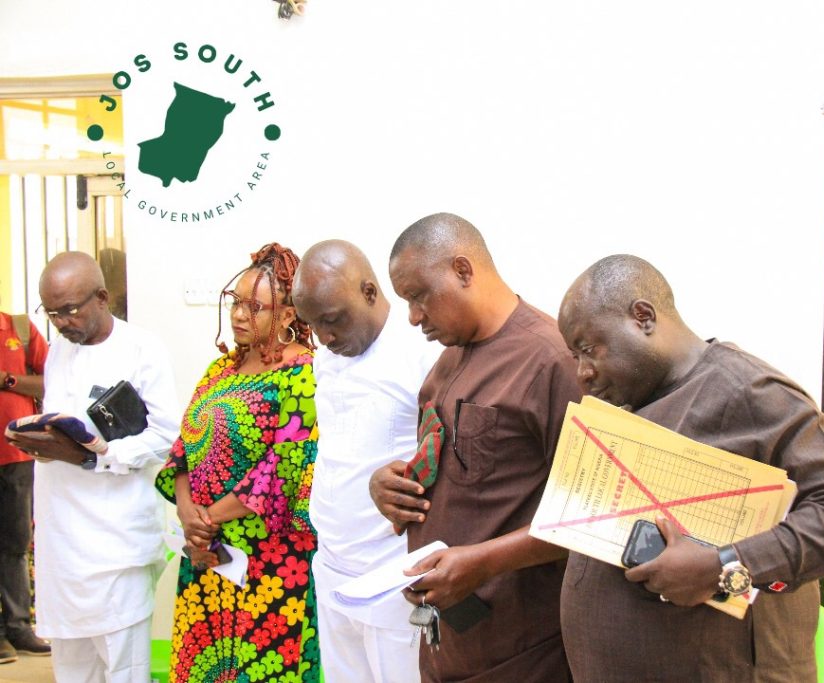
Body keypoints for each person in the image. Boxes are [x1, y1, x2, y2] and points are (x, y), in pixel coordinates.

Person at [556, 254, 824, 682]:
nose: (583, 373)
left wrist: (720, 567)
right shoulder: (642, 397)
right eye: (575, 357)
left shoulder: (749, 391)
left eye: (588, 350)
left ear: (643, 317)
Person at [369, 213, 581, 683]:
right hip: (449, 639)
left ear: (463, 270)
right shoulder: (448, 360)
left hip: (521, 649)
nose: (413, 317)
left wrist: (481, 564)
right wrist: (386, 486)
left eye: (419, 296)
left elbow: (591, 517)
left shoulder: (551, 361)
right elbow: (449, 469)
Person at [5, 252, 179, 683]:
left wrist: (96, 456)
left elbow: (166, 437)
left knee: (124, 671)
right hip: (63, 548)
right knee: (73, 671)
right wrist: (45, 443)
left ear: (102, 297)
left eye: (69, 310)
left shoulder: (142, 349)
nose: (60, 322)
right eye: (51, 313)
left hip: (116, 547)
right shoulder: (59, 351)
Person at [155, 243, 321, 683]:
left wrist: (207, 517)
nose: (239, 315)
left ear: (287, 316)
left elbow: (285, 469)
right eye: (235, 302)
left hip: (268, 562)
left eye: (255, 307)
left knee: (262, 667)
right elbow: (184, 446)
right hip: (207, 553)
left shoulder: (302, 374)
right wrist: (187, 513)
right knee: (204, 664)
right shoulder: (219, 371)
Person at [292, 239, 440, 683]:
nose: (325, 337)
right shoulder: (328, 355)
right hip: (332, 562)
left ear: (370, 292)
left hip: (391, 571)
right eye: (313, 325)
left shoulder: (422, 353)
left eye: (332, 320)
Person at [0, 305, 49, 663]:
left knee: (16, 543)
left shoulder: (19, 328)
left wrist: (7, 379)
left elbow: (52, 381)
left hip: (15, 455)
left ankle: (18, 628)